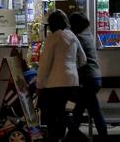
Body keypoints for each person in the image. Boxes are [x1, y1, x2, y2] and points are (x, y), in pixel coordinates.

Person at [37, 9, 87, 142]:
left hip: (56, 82)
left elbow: (45, 63)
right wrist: (72, 66)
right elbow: (83, 59)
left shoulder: (53, 38)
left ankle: (76, 136)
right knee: (61, 111)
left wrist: (40, 84)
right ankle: (63, 136)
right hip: (72, 81)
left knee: (54, 112)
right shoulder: (72, 36)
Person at [68, 11, 108, 139]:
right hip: (95, 78)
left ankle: (72, 137)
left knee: (81, 112)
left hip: (88, 80)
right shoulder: (88, 35)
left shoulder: (78, 39)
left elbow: (77, 60)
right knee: (87, 111)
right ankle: (71, 137)